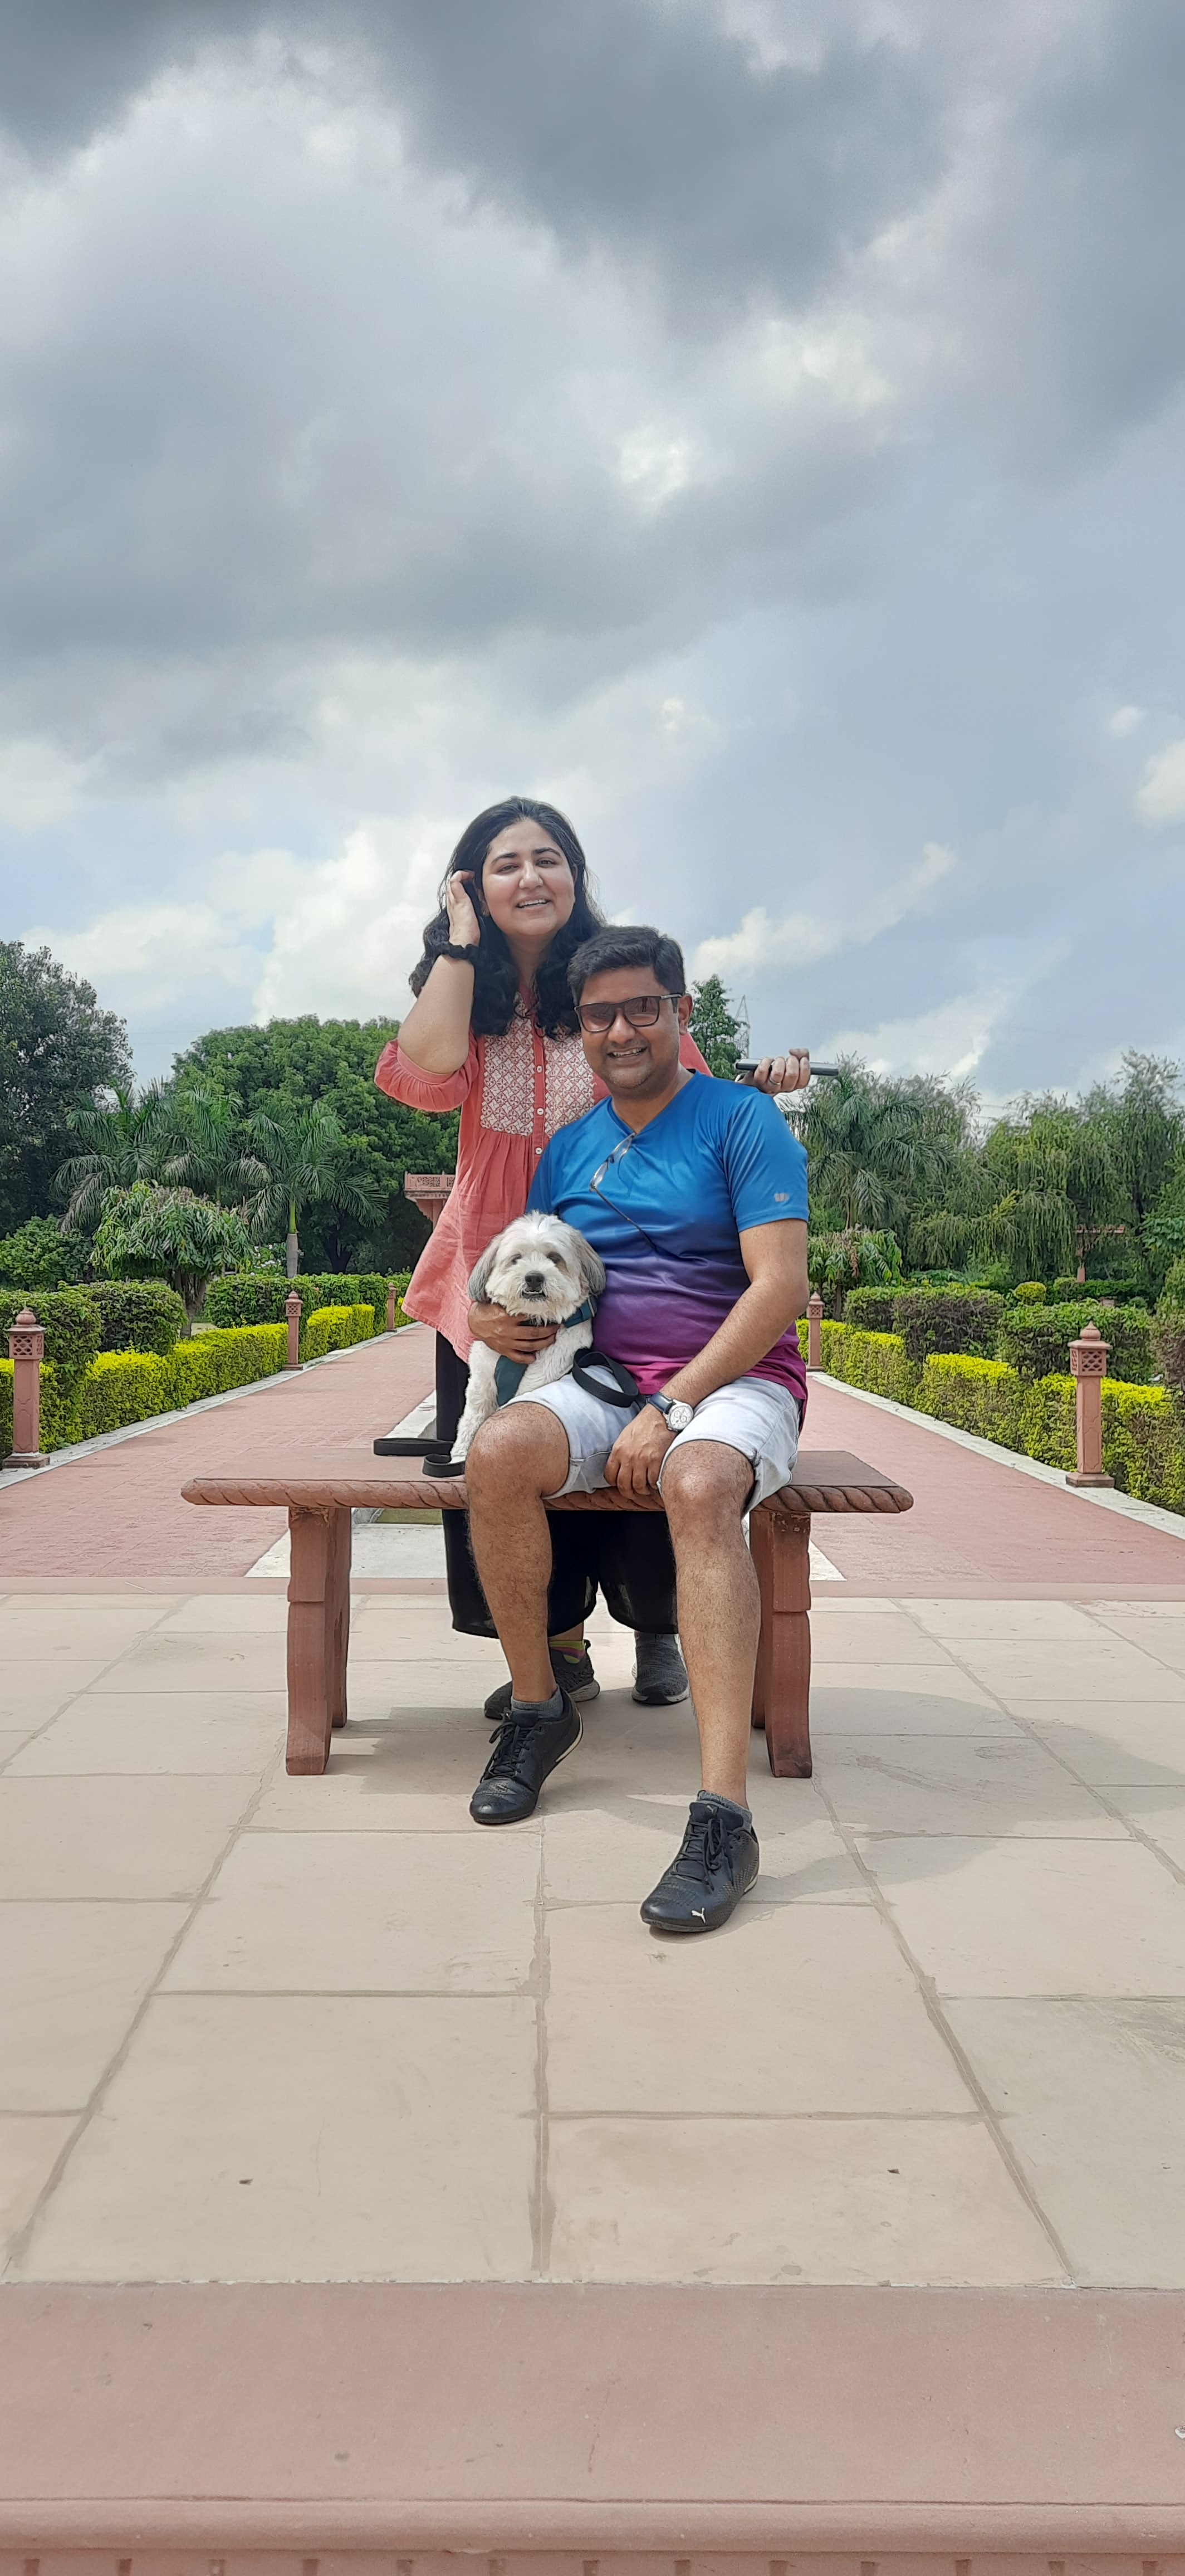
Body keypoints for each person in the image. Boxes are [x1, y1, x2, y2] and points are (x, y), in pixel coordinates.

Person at [376, 798, 808, 1713]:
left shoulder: (616, 985)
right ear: (472, 885)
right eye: (505, 864)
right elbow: (424, 1071)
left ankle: (659, 1629)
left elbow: (691, 1097)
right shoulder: (468, 994)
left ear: (576, 874)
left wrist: (762, 1091)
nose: (531, 878)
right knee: (501, 1458)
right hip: (493, 1262)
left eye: (549, 859)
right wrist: (460, 945)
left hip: (615, 1267)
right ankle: (558, 1656)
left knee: (639, 1441)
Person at [461, 923, 810, 1938]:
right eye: (599, 1015)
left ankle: (724, 1819)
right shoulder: (568, 1148)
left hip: (735, 1380)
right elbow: (538, 1274)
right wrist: (490, 1325)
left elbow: (779, 1287)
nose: (621, 1031)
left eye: (643, 1008)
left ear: (680, 1013)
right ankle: (540, 1708)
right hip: (606, 1381)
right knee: (497, 1453)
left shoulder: (741, 1120)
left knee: (699, 1484)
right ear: (581, 1029)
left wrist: (674, 1407)